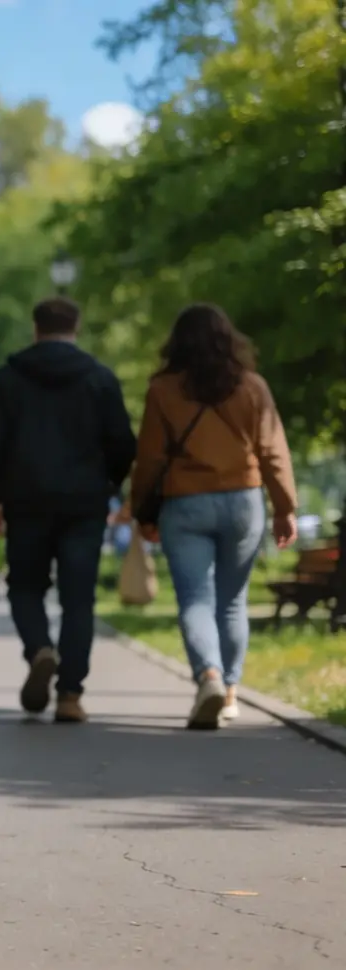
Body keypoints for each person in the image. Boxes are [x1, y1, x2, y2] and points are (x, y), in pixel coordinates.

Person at [130, 304, 296, 730]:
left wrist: (141, 509)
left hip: (184, 503)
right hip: (243, 500)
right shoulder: (252, 387)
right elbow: (273, 453)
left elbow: (149, 458)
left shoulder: (163, 390)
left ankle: (209, 676)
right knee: (232, 601)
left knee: (194, 598)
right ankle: (231, 693)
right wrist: (285, 509)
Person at [0, 297, 135, 723]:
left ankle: (40, 649)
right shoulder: (100, 379)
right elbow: (122, 443)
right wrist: (110, 486)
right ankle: (70, 695)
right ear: (76, 327)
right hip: (84, 503)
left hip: (26, 501)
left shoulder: (7, 380)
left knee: (24, 587)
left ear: (36, 328)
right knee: (78, 598)